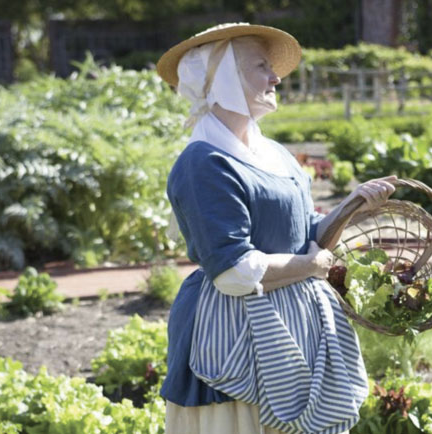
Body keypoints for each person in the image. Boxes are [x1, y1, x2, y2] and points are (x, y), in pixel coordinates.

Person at [156, 23, 397, 434]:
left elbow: (306, 237)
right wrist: (312, 267)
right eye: (260, 66)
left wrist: (350, 205)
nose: (276, 77)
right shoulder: (204, 162)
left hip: (292, 324)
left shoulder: (277, 156)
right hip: (232, 332)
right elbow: (233, 272)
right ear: (223, 78)